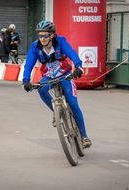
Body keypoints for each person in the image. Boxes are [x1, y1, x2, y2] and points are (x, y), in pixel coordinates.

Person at [22, 20, 92, 148]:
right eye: (40, 36)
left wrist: (78, 66)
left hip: (65, 74)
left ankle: (84, 136)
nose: (42, 39)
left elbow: (72, 53)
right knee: (41, 89)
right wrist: (26, 80)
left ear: (52, 35)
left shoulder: (61, 41)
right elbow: (29, 64)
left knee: (73, 103)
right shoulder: (35, 46)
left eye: (45, 36)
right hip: (48, 75)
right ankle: (55, 112)